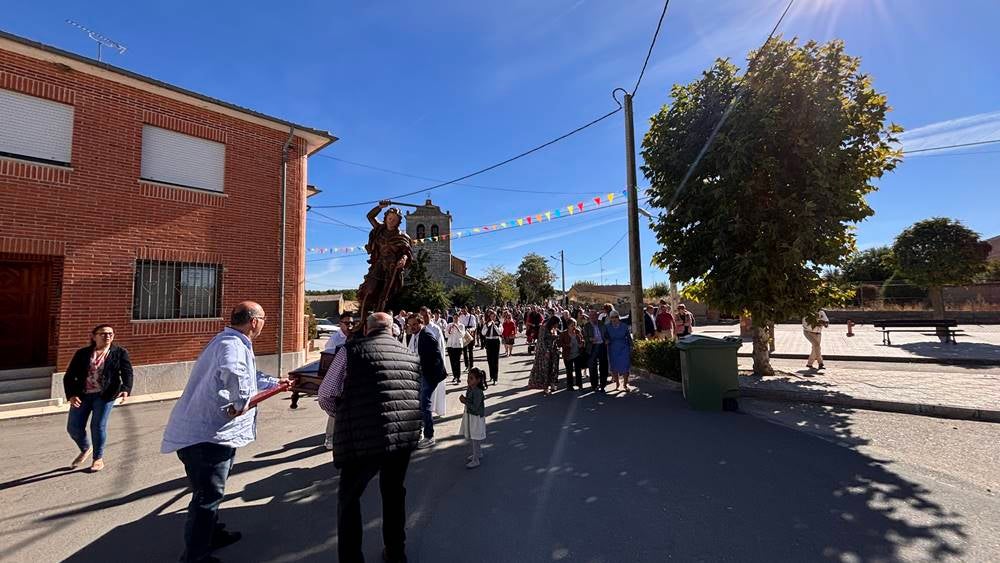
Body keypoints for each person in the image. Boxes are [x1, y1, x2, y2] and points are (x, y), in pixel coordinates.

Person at [161, 302, 287, 563]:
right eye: (263, 318)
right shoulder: (231, 345)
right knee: (207, 496)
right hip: (206, 437)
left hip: (214, 435)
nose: (264, 323)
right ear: (253, 321)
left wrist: (276, 383)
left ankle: (212, 535)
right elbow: (234, 372)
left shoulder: (232, 341)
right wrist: (241, 403)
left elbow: (250, 376)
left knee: (210, 492)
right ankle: (195, 556)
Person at [330, 313, 422, 563]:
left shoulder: (349, 351)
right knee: (394, 494)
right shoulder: (409, 354)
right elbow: (414, 393)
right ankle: (396, 552)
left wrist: (342, 412)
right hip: (401, 437)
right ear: (393, 329)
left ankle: (351, 558)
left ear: (367, 329)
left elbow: (326, 393)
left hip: (361, 437)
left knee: (349, 499)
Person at [63, 324, 133, 472]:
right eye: (103, 333)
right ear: (94, 336)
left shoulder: (119, 353)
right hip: (82, 395)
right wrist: (71, 395)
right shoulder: (82, 353)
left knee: (98, 426)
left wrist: (126, 389)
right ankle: (85, 448)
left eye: (110, 334)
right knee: (73, 427)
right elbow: (70, 375)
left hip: (105, 395)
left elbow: (127, 373)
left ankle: (98, 458)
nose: (107, 336)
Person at [356, 201, 412, 316]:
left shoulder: (402, 236)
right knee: (368, 290)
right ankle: (363, 319)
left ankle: (378, 319)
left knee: (384, 296)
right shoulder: (379, 229)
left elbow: (407, 252)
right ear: (386, 218)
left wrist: (404, 259)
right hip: (378, 264)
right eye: (390, 218)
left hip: (392, 268)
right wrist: (380, 207)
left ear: (398, 222)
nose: (391, 221)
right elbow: (370, 216)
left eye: (395, 220)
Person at [407, 314, 448, 449]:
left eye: (414, 324)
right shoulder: (416, 335)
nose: (412, 327)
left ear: (421, 323)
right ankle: (419, 432)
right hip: (420, 374)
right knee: (419, 403)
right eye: (410, 325)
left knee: (425, 403)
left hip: (429, 375)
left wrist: (431, 376)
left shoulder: (427, 335)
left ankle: (429, 436)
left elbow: (436, 357)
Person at [321, 312, 354, 450]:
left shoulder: (353, 337)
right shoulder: (335, 339)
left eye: (352, 323)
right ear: (340, 324)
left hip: (349, 378)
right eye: (347, 323)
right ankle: (330, 438)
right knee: (336, 409)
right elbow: (327, 358)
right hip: (338, 378)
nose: (350, 326)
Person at [458, 367, 487, 469]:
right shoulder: (471, 389)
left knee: (475, 437)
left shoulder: (478, 392)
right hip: (471, 416)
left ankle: (476, 460)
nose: (468, 380)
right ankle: (478, 453)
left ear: (478, 380)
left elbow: (475, 407)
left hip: (476, 418)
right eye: (468, 378)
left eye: (471, 378)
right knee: (474, 437)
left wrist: (464, 401)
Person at [528, 317, 562, 396]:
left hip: (553, 350)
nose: (557, 325)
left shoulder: (554, 328)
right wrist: (546, 351)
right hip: (544, 352)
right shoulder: (544, 328)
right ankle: (545, 386)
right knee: (545, 369)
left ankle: (552, 384)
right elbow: (541, 340)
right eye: (557, 323)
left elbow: (556, 335)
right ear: (553, 322)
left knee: (553, 368)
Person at [606, 311, 634, 392]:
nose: (614, 319)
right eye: (612, 317)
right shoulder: (607, 327)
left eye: (616, 317)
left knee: (625, 366)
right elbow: (605, 336)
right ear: (610, 318)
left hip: (624, 348)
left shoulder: (624, 326)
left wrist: (631, 346)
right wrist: (606, 340)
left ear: (618, 317)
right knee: (614, 367)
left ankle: (625, 384)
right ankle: (617, 383)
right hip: (613, 348)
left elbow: (628, 337)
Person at [584, 311, 610, 392]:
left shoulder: (601, 323)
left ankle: (603, 384)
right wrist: (590, 339)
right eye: (591, 316)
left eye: (594, 316)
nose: (593, 318)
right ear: (589, 317)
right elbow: (584, 337)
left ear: (597, 316)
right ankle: (594, 385)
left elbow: (606, 334)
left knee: (603, 365)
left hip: (602, 346)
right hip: (592, 347)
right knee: (592, 367)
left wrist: (606, 339)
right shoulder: (587, 326)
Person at [559, 318, 585, 391]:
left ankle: (579, 385)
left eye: (575, 325)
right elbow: (559, 343)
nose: (574, 327)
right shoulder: (563, 333)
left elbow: (582, 340)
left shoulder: (577, 331)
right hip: (568, 355)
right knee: (569, 371)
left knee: (578, 371)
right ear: (568, 326)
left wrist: (581, 344)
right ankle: (570, 386)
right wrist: (567, 345)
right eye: (572, 325)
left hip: (577, 354)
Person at [480, 309, 503, 385]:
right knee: (489, 359)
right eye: (491, 316)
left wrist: (495, 326)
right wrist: (488, 325)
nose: (492, 317)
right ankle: (491, 376)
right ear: (489, 317)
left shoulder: (499, 323)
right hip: (488, 341)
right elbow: (483, 333)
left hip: (495, 341)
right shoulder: (486, 323)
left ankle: (495, 378)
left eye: (494, 316)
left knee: (495, 360)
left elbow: (500, 332)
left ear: (496, 316)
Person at [445, 316, 466, 384]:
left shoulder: (461, 325)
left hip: (458, 346)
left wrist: (457, 328)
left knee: (457, 361)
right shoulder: (449, 325)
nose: (455, 319)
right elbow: (446, 335)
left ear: (459, 318)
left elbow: (462, 335)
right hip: (450, 345)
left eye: (457, 318)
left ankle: (458, 376)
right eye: (454, 318)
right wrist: (450, 329)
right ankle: (455, 376)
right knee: (452, 361)